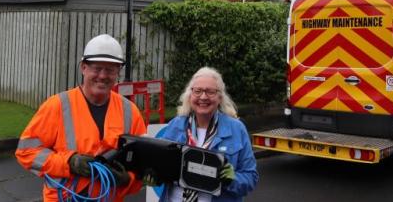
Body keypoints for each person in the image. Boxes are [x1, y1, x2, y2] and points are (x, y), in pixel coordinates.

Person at [15, 34, 148, 202]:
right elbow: (26, 152)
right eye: (97, 68)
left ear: (118, 72)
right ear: (83, 67)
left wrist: (127, 179)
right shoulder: (57, 106)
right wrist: (69, 162)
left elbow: (143, 165)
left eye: (110, 70)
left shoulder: (130, 111)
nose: (102, 75)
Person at [154, 66, 258, 201]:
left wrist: (233, 180)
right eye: (198, 91)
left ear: (220, 97)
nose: (203, 97)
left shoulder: (237, 129)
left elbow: (251, 177)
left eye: (210, 92)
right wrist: (154, 175)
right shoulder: (176, 125)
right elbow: (161, 164)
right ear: (190, 95)